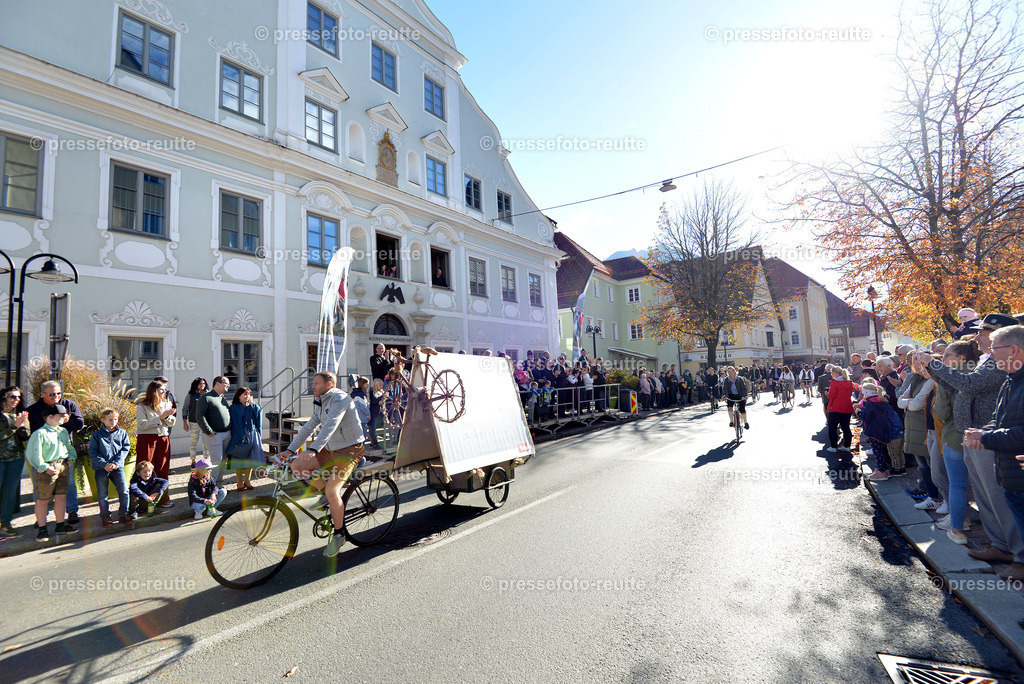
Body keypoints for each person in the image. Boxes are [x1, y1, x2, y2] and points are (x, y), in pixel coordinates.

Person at [915, 314, 1022, 557]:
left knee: (997, 497)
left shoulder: (1000, 361)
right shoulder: (989, 359)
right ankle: (1000, 545)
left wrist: (934, 364)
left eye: (983, 333)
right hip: (975, 435)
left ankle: (1014, 550)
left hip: (987, 437)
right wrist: (935, 370)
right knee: (985, 497)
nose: (977, 336)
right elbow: (959, 387)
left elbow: (971, 385)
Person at [277, 371, 364, 557]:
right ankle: (326, 493)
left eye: (316, 383)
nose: (312, 386)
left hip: (350, 449)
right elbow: (310, 426)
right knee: (297, 467)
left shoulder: (340, 398)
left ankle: (340, 535)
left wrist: (314, 449)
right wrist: (290, 451)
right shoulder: (320, 399)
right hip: (331, 449)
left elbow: (330, 425)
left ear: (329, 384)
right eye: (313, 382)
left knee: (333, 491)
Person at [964, 324, 1024, 581]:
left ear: (1014, 349)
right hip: (1011, 472)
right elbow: (1000, 421)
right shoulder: (1011, 381)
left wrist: (986, 437)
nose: (991, 354)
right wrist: (982, 431)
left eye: (994, 349)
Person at [27, 381, 84, 524]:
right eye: (52, 394)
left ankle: (71, 512)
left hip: (62, 456)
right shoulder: (33, 410)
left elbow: (79, 424)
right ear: (42, 394)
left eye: (59, 393)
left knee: (68, 486)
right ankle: (41, 519)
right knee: (40, 490)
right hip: (42, 457)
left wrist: (63, 422)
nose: (56, 396)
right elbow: (31, 432)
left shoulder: (70, 405)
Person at [25, 404, 76, 541]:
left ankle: (60, 525)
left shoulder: (62, 431)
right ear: (50, 417)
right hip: (47, 469)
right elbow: (33, 454)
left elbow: (68, 446)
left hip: (62, 466)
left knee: (61, 497)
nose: (64, 417)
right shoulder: (39, 434)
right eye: (61, 415)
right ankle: (42, 529)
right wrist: (44, 468)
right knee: (43, 500)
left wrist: (71, 459)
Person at [898, 358, 940, 511]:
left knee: (931, 464)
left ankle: (935, 496)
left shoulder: (929, 381)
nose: (917, 365)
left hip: (923, 426)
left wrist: (908, 402)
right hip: (913, 426)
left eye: (920, 362)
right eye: (914, 362)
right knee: (922, 464)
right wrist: (910, 401)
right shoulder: (914, 378)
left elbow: (916, 405)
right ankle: (931, 495)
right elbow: (900, 401)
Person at [135, 380, 176, 506]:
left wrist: (168, 417)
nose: (164, 392)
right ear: (154, 391)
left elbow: (172, 422)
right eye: (162, 390)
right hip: (147, 439)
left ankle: (163, 498)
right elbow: (142, 425)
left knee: (163, 468)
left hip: (163, 438)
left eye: (165, 390)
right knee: (145, 469)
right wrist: (160, 418)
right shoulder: (142, 406)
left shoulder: (166, 403)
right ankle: (144, 501)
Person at [88, 408, 131, 526]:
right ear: (103, 420)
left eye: (115, 419)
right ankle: (105, 516)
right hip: (102, 468)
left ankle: (123, 513)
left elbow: (125, 448)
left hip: (118, 467)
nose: (113, 422)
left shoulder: (122, 433)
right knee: (102, 494)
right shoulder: (97, 435)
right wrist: (104, 464)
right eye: (110, 420)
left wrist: (116, 463)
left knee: (124, 490)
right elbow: (93, 452)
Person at [858, 381, 904, 481]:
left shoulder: (870, 404)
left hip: (873, 432)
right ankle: (885, 471)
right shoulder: (880, 401)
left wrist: (858, 411)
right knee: (882, 452)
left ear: (867, 393)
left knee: (878, 453)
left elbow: (866, 417)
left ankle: (881, 473)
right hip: (881, 431)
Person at [0, 387, 28, 538]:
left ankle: (6, 524)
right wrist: (14, 427)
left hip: (15, 459)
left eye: (18, 397)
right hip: (0, 459)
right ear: (4, 398)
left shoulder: (19, 415)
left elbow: (25, 436)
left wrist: (23, 427)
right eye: (13, 397)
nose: (16, 400)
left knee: (9, 493)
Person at [197, 376, 232, 483]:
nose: (228, 386)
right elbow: (199, 416)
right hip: (214, 435)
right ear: (217, 383)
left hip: (227, 434)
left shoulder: (222, 398)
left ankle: (219, 484)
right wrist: (209, 431)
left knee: (223, 461)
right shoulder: (206, 397)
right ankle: (211, 486)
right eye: (226, 383)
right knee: (216, 461)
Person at [226, 386, 261, 491]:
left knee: (249, 459)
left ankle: (247, 480)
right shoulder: (233, 407)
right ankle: (239, 482)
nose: (247, 396)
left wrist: (253, 404)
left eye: (249, 394)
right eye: (245, 394)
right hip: (238, 435)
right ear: (239, 396)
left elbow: (259, 413)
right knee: (238, 458)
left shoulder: (251, 406)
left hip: (251, 435)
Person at [826, 367, 856, 452]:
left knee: (832, 428)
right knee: (846, 427)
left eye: (832, 372)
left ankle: (833, 446)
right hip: (847, 407)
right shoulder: (849, 383)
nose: (831, 374)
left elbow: (831, 396)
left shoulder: (834, 383)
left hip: (835, 408)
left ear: (835, 373)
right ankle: (847, 446)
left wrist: (826, 393)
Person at [182, 377, 209, 468]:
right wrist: (184, 422)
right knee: (194, 441)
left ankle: (206, 459)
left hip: (206, 421)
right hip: (193, 421)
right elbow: (185, 408)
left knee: (206, 441)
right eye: (200, 383)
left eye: (204, 383)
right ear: (196, 385)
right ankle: (193, 460)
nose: (202, 385)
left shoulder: (208, 394)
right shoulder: (191, 395)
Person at [723, 367, 749, 431]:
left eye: (731, 371)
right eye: (728, 372)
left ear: (735, 372)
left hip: (740, 395)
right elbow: (725, 388)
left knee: (742, 410)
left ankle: (745, 422)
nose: (730, 373)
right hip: (731, 395)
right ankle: (731, 421)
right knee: (729, 406)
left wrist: (745, 395)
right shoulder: (727, 379)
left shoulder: (740, 379)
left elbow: (744, 388)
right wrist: (724, 395)